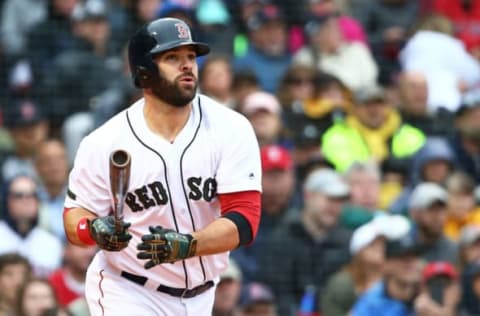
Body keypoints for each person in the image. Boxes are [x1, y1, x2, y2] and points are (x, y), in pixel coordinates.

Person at [63, 17, 262, 316]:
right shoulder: (104, 142)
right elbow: (73, 218)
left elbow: (245, 220)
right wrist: (93, 229)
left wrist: (187, 245)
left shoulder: (230, 127)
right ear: (144, 75)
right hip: (129, 291)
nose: (187, 66)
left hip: (203, 294)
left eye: (191, 57)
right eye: (172, 58)